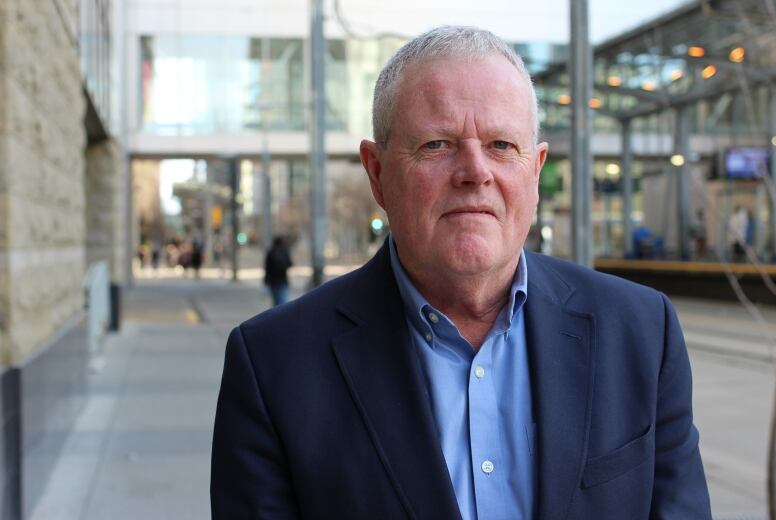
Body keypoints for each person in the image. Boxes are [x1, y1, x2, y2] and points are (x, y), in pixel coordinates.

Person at [212, 26, 711, 519]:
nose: (475, 171)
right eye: (436, 144)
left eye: (500, 144)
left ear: (535, 172)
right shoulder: (273, 366)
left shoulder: (643, 333)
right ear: (377, 173)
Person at [264, 235, 293, 306]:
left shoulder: (271, 252)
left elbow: (267, 267)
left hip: (273, 281)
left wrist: (266, 280)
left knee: (276, 302)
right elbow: (290, 264)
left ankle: (277, 314)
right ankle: (283, 315)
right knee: (283, 301)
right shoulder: (284, 251)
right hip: (283, 280)